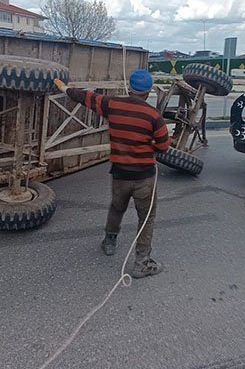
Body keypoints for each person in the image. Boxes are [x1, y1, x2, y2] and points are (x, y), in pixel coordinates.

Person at [54, 70, 171, 278]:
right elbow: (163, 146)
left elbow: (85, 97)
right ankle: (141, 263)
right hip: (144, 177)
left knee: (117, 208)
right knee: (147, 217)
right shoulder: (154, 116)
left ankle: (109, 241)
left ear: (129, 87)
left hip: (119, 174)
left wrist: (63, 87)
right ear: (149, 91)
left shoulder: (112, 104)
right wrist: (150, 143)